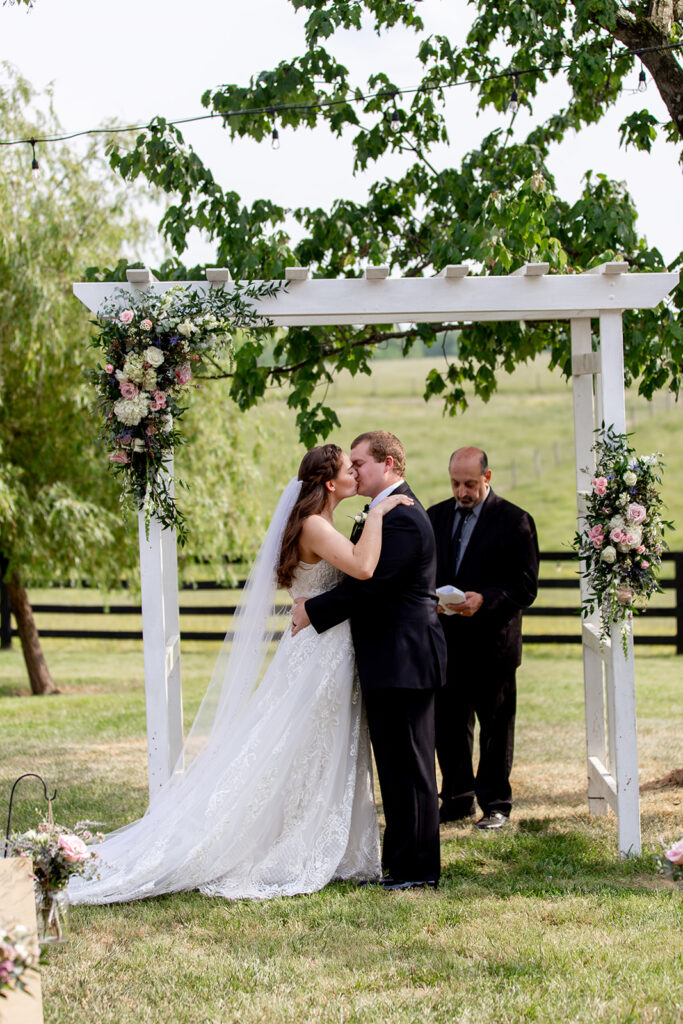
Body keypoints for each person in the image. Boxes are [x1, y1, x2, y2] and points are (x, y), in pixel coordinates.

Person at [69, 444, 412, 904]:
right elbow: (364, 567)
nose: (356, 473)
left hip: (323, 645)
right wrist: (377, 515)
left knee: (320, 744)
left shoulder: (320, 523)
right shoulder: (315, 525)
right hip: (319, 652)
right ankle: (289, 842)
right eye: (349, 469)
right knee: (302, 744)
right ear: (331, 484)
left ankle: (335, 843)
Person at [292, 431, 447, 890]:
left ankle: (418, 872)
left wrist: (312, 610)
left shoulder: (400, 516)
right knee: (396, 770)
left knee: (412, 770)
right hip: (389, 659)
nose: (354, 471)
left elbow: (369, 585)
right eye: (351, 464)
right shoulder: (385, 511)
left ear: (390, 464)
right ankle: (400, 865)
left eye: (360, 463)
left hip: (405, 659)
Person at [427, 446, 539, 830]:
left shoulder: (515, 521)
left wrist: (484, 600)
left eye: (470, 483)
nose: (462, 491)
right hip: (447, 642)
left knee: (496, 727)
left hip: (494, 644)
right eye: (456, 483)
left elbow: (525, 586)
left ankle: (496, 804)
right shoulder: (435, 517)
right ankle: (456, 800)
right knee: (450, 726)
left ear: (487, 478)